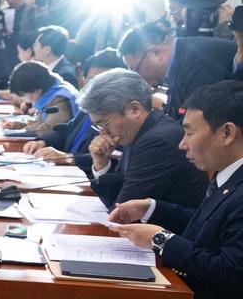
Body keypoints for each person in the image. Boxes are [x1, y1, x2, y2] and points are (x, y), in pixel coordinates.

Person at [108, 80, 243, 299]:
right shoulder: (229, 177)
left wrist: (161, 240)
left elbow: (230, 271)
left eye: (190, 132)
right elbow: (207, 226)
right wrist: (151, 208)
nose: (182, 144)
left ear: (227, 133)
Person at [79, 68, 206, 211]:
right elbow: (116, 199)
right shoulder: (140, 130)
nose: (103, 132)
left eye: (104, 123)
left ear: (134, 110)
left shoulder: (157, 141)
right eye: (98, 126)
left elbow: (121, 211)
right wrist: (101, 163)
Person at [119, 20, 236, 122]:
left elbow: (198, 124)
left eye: (136, 69)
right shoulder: (182, 57)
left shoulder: (197, 60)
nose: (139, 78)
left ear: (156, 53)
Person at [24, 48, 126, 164]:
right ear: (83, 80)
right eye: (92, 81)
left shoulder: (119, 117)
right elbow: (68, 129)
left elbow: (111, 158)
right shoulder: (87, 106)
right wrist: (43, 142)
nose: (98, 88)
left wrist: (68, 158)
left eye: (105, 83)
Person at [7, 61, 78, 136]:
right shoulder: (51, 92)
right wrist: (18, 125)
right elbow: (40, 123)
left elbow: (46, 131)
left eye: (22, 95)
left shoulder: (60, 99)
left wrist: (15, 133)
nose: (23, 99)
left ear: (36, 90)